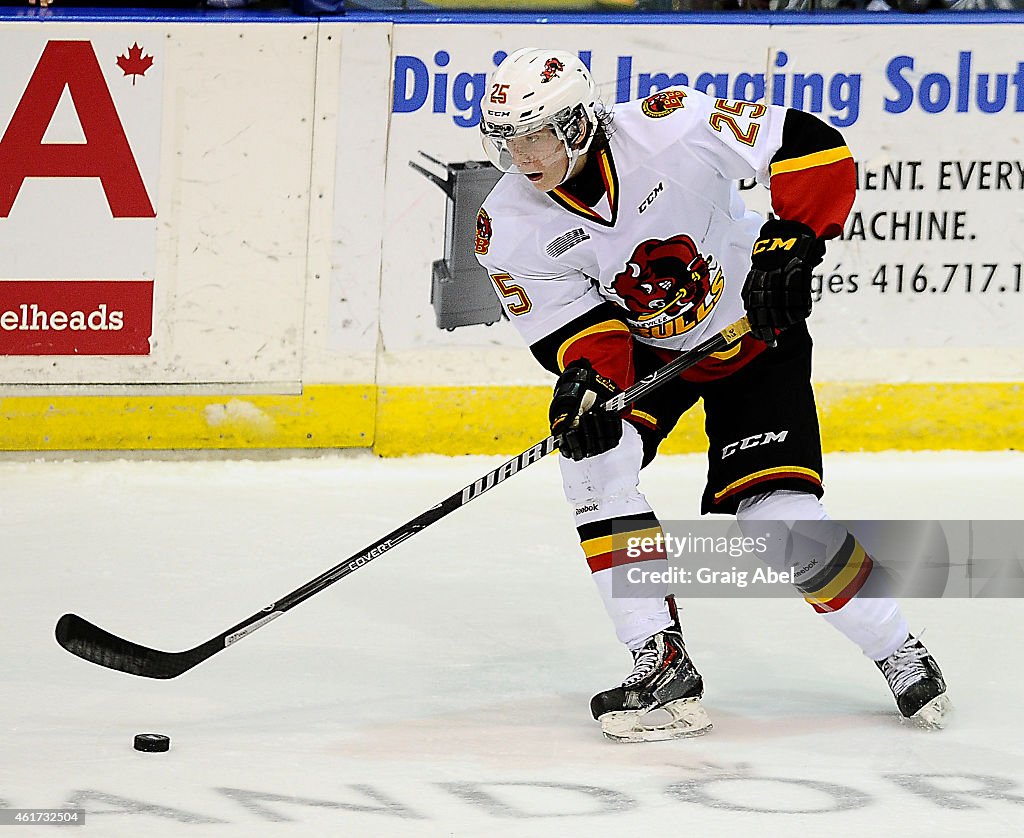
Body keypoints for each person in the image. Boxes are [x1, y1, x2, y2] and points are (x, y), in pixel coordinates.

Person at [474, 48, 950, 742]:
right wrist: (585, 381)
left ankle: (898, 648)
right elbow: (574, 326)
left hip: (755, 331)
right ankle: (660, 660)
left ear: (578, 124)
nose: (524, 155)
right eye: (508, 139)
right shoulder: (508, 224)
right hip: (647, 352)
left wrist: (793, 239)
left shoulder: (670, 125)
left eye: (538, 134)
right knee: (593, 467)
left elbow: (808, 145)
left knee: (777, 519)